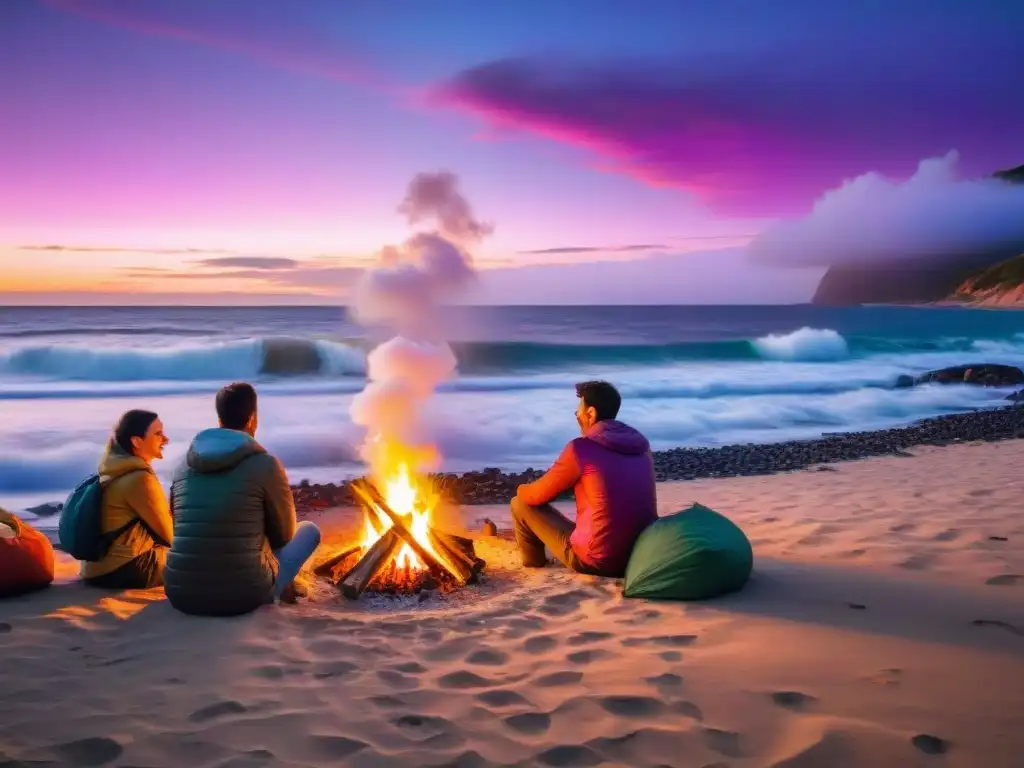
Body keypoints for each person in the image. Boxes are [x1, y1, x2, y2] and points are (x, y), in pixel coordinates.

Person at [165, 382, 321, 616]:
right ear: (251, 419)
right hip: (244, 595)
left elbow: (178, 526)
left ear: (219, 420)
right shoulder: (265, 464)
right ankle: (281, 588)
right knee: (308, 531)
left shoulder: (181, 466)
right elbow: (285, 536)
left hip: (180, 591)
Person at [511, 380, 657, 578]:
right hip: (640, 555)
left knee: (519, 503)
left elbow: (534, 497)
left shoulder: (580, 449)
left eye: (578, 411)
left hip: (598, 562)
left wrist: (520, 488)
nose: (577, 416)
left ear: (591, 413)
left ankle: (534, 565)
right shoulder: (642, 446)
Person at [83, 410, 173, 589]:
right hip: (125, 569)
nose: (166, 439)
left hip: (94, 569)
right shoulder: (140, 479)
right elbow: (170, 536)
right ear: (136, 442)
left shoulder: (112, 469)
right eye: (158, 434)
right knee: (198, 559)